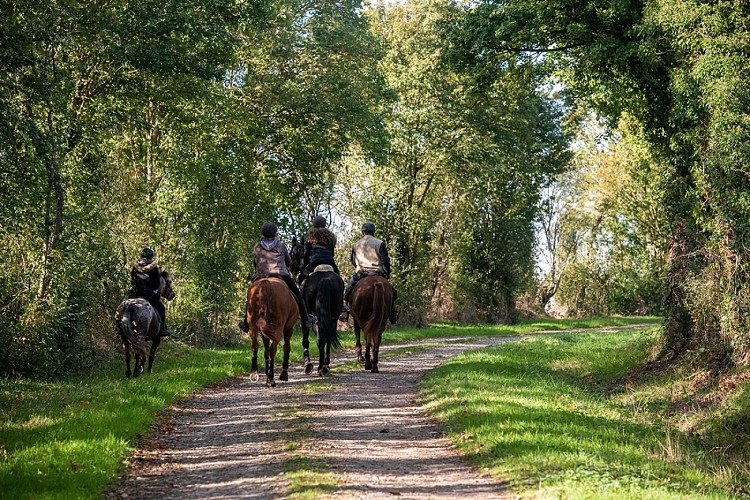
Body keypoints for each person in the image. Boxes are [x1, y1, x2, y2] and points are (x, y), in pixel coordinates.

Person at [238, 222, 311, 337]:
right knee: (297, 295)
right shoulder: (281, 246)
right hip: (280, 274)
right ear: (275, 233)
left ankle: (246, 323)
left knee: (249, 298)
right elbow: (289, 262)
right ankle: (306, 319)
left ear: (263, 233)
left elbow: (255, 263)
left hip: (261, 275)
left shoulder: (257, 246)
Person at [343, 221, 398, 324]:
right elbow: (385, 260)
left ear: (363, 232)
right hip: (378, 272)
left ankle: (345, 313)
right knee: (393, 293)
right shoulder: (379, 243)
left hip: (361, 273)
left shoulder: (356, 244)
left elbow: (353, 261)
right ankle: (392, 315)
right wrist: (387, 272)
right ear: (374, 231)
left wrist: (359, 266)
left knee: (347, 291)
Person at [129, 247, 173, 337]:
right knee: (161, 308)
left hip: (135, 293)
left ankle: (122, 328)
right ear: (151, 256)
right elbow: (156, 283)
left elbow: (132, 279)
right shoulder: (153, 267)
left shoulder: (136, 266)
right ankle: (162, 329)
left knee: (126, 305)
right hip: (148, 294)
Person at [297, 215, 341, 284]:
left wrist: (304, 267)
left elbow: (306, 254)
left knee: (300, 279)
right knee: (339, 279)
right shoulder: (330, 237)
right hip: (329, 262)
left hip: (314, 261)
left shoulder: (310, 237)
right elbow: (332, 254)